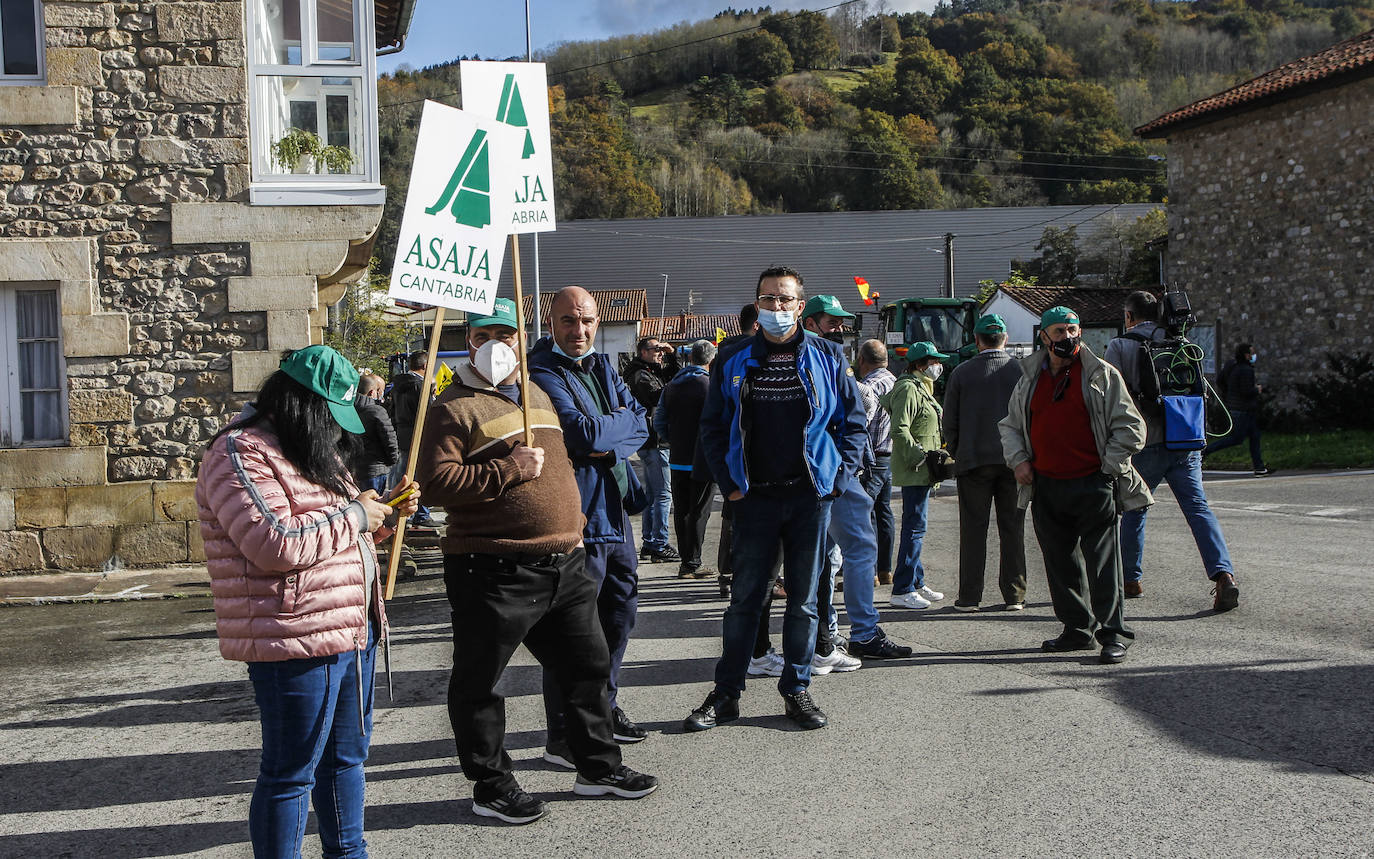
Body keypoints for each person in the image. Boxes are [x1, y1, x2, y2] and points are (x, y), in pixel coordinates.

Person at [415, 298, 657, 826]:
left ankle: (596, 766)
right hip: (493, 567)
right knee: (481, 682)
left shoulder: (537, 394)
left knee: (587, 667)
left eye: (509, 334)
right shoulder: (451, 408)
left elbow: (585, 450)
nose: (500, 345)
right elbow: (435, 485)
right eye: (486, 336)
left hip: (564, 561)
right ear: (469, 341)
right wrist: (508, 470)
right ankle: (491, 784)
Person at [197, 345, 420, 856]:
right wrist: (360, 516)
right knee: (291, 773)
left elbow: (331, 537)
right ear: (300, 403)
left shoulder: (308, 448)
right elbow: (275, 542)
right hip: (296, 637)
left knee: (345, 760)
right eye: (331, 414)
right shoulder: (240, 451)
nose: (338, 429)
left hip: (349, 628)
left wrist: (381, 518)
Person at [683, 266, 867, 733]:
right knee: (746, 599)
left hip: (811, 499)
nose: (777, 308)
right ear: (757, 304)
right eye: (768, 299)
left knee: (804, 600)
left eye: (785, 300)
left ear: (800, 307)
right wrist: (730, 484)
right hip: (754, 499)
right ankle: (726, 694)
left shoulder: (828, 355)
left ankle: (797, 689)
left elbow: (852, 423)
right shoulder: (733, 357)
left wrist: (837, 479)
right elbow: (713, 426)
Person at [529, 286, 651, 749]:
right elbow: (579, 435)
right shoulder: (540, 372)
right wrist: (615, 428)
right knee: (574, 627)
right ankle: (563, 732)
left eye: (586, 321)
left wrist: (612, 432)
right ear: (551, 323)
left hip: (615, 509)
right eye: (568, 321)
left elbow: (643, 420)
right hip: (577, 514)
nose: (579, 330)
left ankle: (604, 704)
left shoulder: (602, 365)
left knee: (621, 611)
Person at [999, 306, 1151, 665]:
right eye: (1059, 331)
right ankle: (1077, 629)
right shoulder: (1030, 377)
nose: (1067, 337)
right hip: (1047, 484)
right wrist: (1019, 459)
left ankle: (1114, 634)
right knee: (1059, 562)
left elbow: (1131, 428)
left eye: (1072, 330)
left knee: (1103, 564)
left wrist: (1107, 467)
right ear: (1044, 337)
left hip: (1093, 483)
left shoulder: (1101, 374)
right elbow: (1009, 426)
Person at [1105, 291, 1240, 611]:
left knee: (1135, 508)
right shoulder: (1181, 342)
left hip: (1144, 441)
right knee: (1198, 509)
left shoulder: (1122, 345)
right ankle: (1224, 575)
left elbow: (1109, 396)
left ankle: (1131, 578)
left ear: (1129, 316)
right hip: (1187, 440)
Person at [800, 296, 910, 665]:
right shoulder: (820, 359)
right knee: (857, 549)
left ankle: (828, 633)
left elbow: (854, 421)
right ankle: (859, 632)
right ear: (811, 321)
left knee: (828, 556)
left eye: (841, 322)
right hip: (828, 474)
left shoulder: (828, 359)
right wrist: (845, 471)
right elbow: (844, 421)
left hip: (832, 472)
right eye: (832, 322)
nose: (840, 328)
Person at [942, 314, 1027, 612]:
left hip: (973, 461)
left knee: (973, 530)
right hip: (1014, 462)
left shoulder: (962, 373)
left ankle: (969, 597)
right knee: (1012, 528)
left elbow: (949, 421)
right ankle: (1014, 595)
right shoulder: (1019, 371)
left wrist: (959, 449)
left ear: (976, 340)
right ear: (1004, 338)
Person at [882, 341, 949, 611]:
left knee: (915, 526)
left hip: (923, 470)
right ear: (921, 364)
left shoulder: (920, 386)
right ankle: (903, 588)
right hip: (916, 469)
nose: (938, 366)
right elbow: (900, 429)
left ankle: (917, 582)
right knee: (914, 528)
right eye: (933, 361)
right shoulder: (909, 388)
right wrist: (919, 456)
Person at [653, 339, 717, 579]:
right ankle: (693, 562)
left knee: (681, 511)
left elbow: (659, 421)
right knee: (699, 511)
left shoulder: (672, 386)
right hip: (704, 458)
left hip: (677, 457)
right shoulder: (710, 386)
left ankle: (685, 560)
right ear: (710, 361)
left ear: (691, 359)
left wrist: (674, 439)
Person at [623, 336, 679, 563]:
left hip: (654, 441)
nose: (659, 353)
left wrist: (672, 355)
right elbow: (662, 395)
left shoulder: (652, 371)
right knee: (663, 495)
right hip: (654, 442)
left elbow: (673, 378)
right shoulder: (640, 375)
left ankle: (650, 542)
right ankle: (659, 543)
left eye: (660, 349)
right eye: (655, 349)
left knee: (652, 495)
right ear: (643, 352)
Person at [855, 339, 897, 588]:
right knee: (884, 512)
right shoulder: (896, 381)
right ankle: (885, 569)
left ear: (861, 360)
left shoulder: (866, 387)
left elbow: (860, 424)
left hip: (871, 457)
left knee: (864, 512)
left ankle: (867, 571)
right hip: (889, 454)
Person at [1204, 342, 1270, 476]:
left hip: (1239, 408)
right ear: (1246, 355)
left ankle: (1259, 467)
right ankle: (1205, 451)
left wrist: (1228, 395)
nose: (1253, 356)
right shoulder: (1246, 370)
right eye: (1252, 353)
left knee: (1255, 436)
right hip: (1243, 410)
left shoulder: (1232, 365)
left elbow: (1220, 381)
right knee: (1236, 439)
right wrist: (1257, 390)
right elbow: (1246, 391)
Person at [388, 351, 436, 527]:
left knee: (404, 474)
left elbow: (391, 410)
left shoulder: (398, 385)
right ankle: (420, 514)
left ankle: (404, 513)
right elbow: (429, 412)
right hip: (419, 435)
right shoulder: (419, 386)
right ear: (425, 366)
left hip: (402, 433)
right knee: (419, 475)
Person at [352, 373, 399, 495]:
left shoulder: (347, 411)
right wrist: (392, 460)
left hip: (354, 469)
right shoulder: (377, 411)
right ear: (372, 392)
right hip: (375, 469)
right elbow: (390, 439)